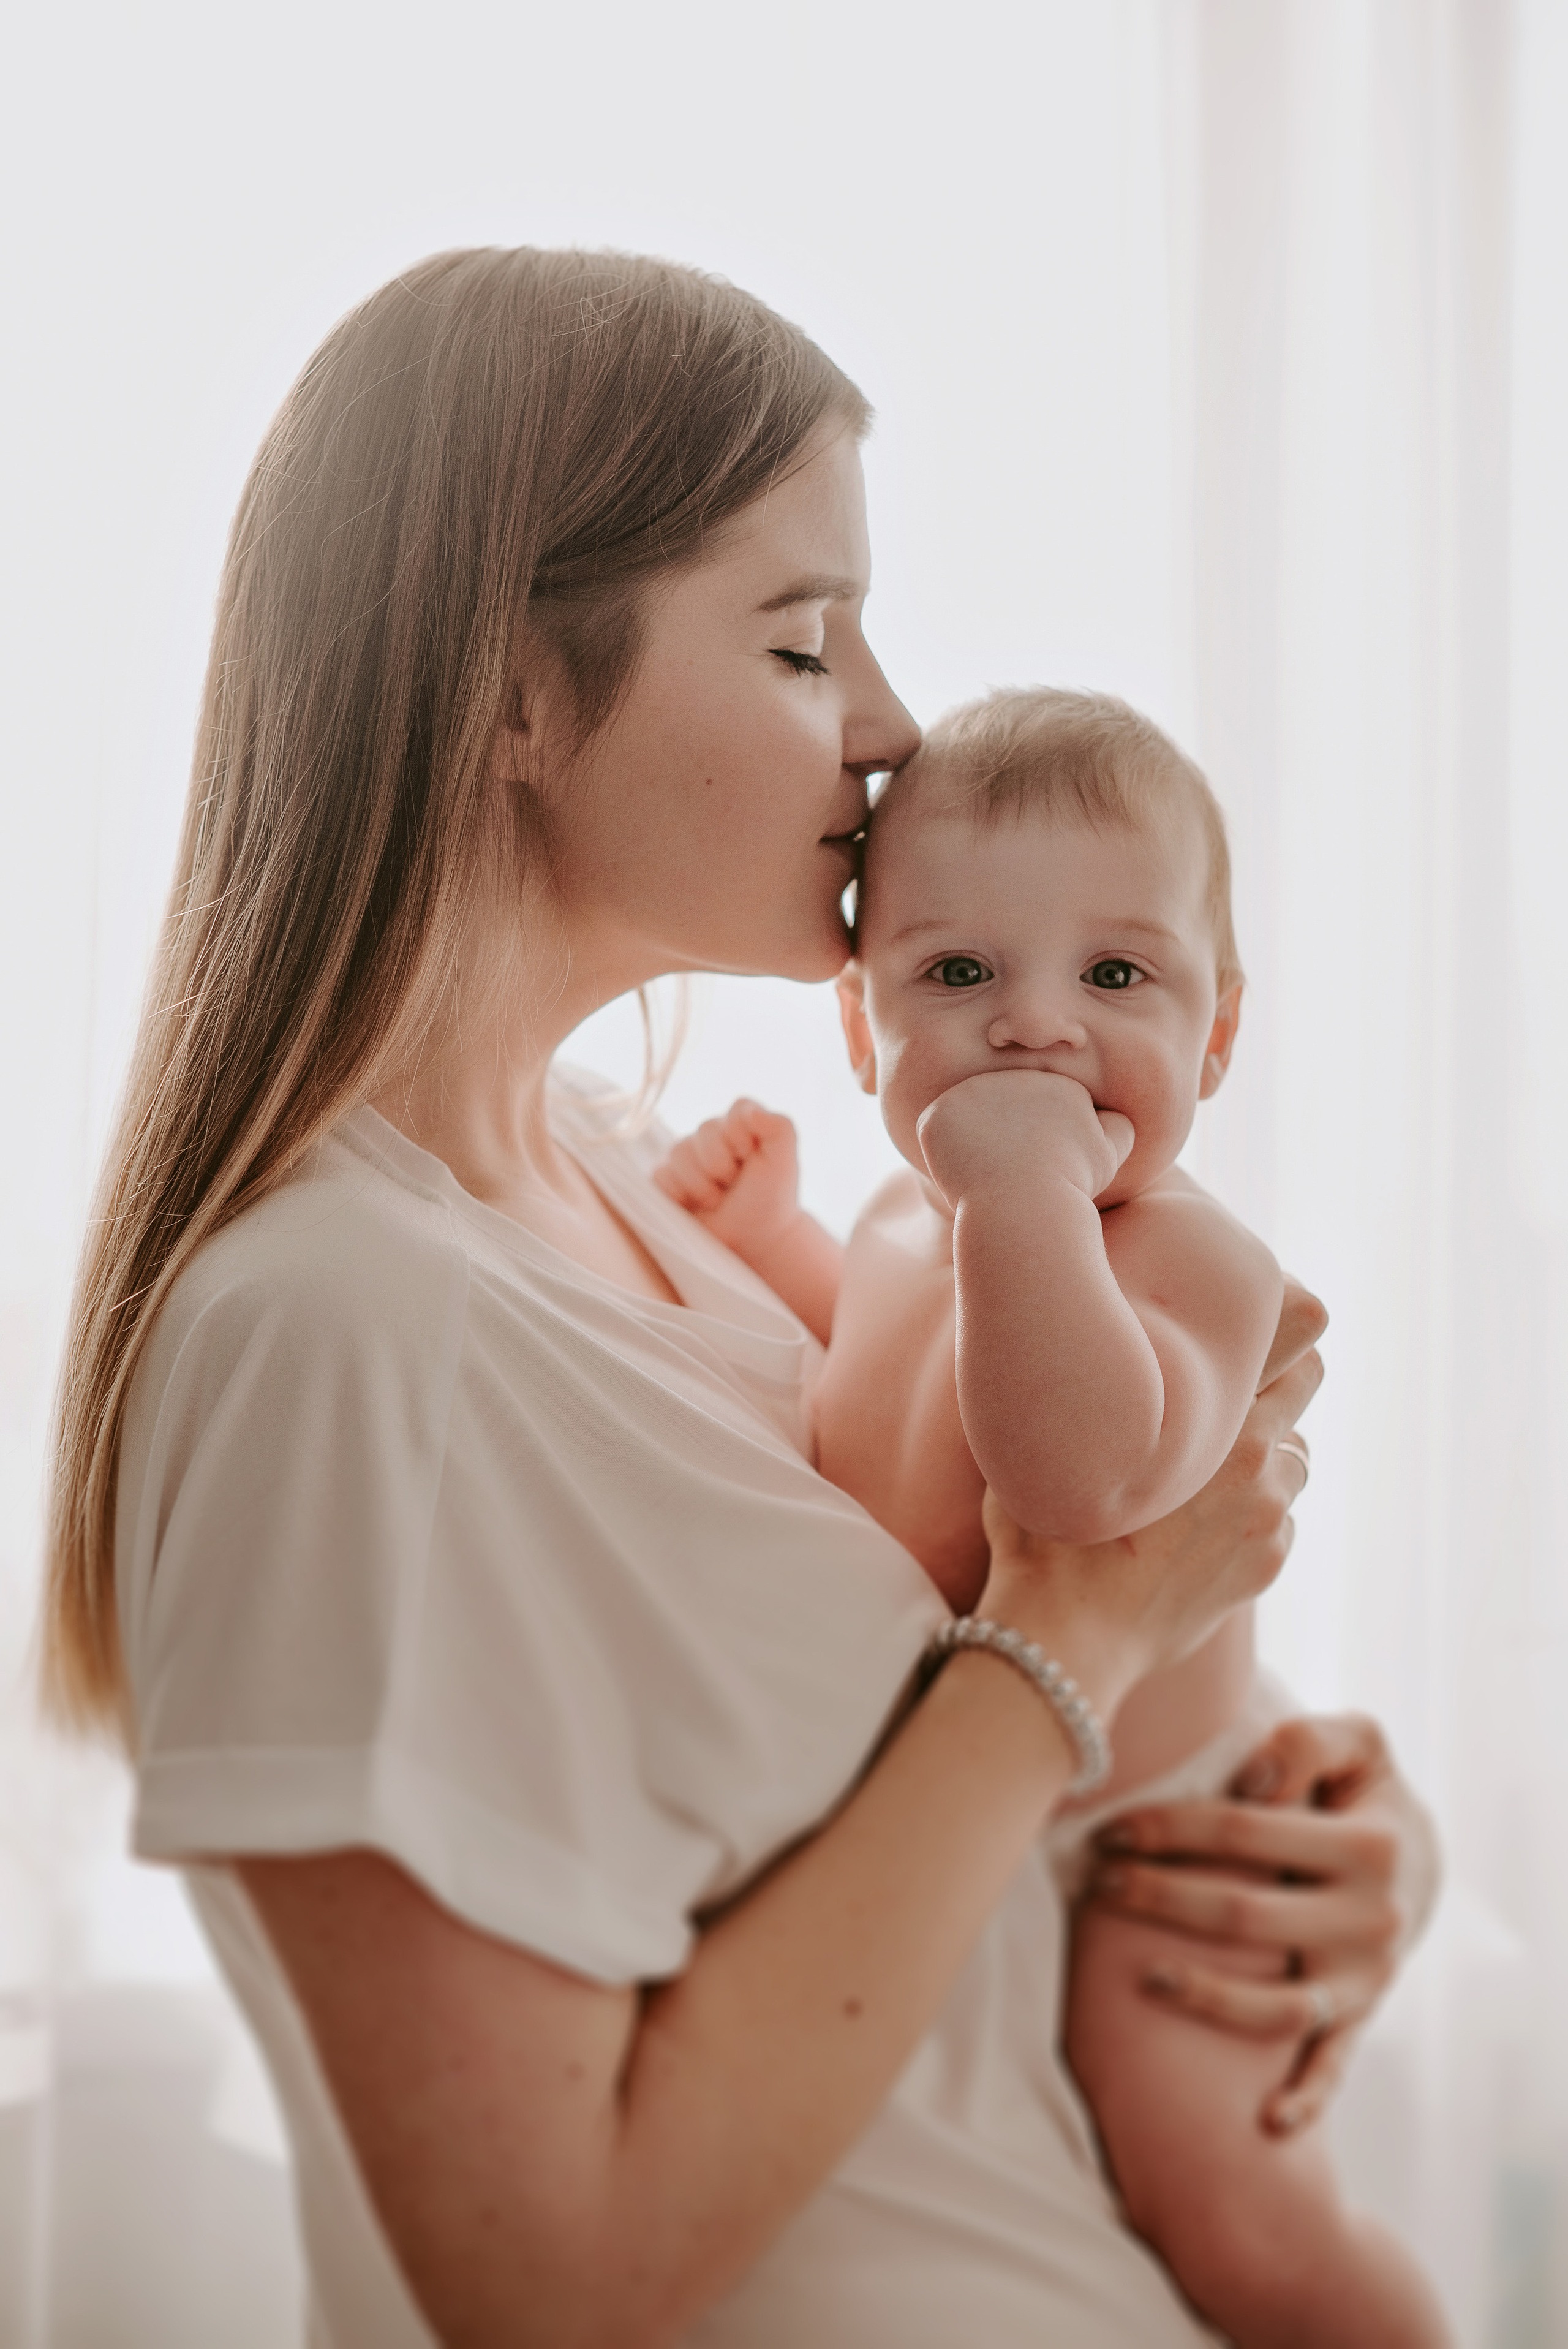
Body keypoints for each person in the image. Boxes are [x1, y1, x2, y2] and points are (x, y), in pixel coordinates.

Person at [43, 246, 1435, 2349]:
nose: (888, 730)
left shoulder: (642, 1192)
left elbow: (924, 1784)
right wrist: (1079, 1635)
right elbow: (547, 2278)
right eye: (802, 643)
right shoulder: (344, 1324)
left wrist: (1331, 1849)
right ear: (510, 689)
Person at [654, 686, 1450, 2347]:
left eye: (1115, 976)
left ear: (1217, 1034)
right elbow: (881, 1378)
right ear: (863, 1034)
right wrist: (781, 1236)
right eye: (958, 975)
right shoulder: (896, 1219)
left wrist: (1019, 1193)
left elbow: (1083, 1486)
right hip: (986, 1816)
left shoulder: (1193, 1259)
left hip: (1159, 1835)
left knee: (1232, 2207)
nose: (1036, 1027)